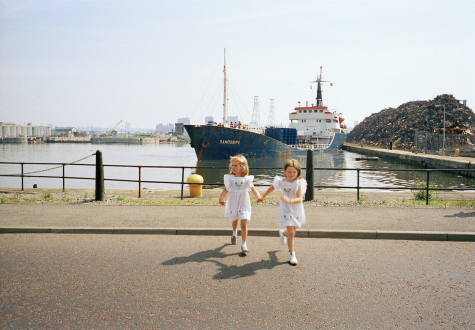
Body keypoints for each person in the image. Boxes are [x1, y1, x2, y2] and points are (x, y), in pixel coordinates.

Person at [258, 159, 307, 265]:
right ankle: (292, 254)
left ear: (298, 172)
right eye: (289, 172)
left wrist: (289, 200)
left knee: (292, 231)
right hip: (285, 208)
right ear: (284, 171)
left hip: (296, 208)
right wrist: (263, 196)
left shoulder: (298, 183)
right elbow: (272, 188)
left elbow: (299, 198)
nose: (291, 174)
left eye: (294, 172)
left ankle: (283, 233)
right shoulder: (281, 182)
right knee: (291, 232)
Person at [219, 154, 261, 254]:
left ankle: (244, 244)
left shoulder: (247, 179)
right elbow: (226, 189)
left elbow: (253, 189)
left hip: (243, 202)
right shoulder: (230, 178)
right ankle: (234, 233)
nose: (233, 167)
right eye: (232, 165)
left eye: (235, 166)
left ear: (243, 167)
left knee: (243, 222)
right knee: (235, 220)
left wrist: (258, 197)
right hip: (233, 201)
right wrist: (221, 198)